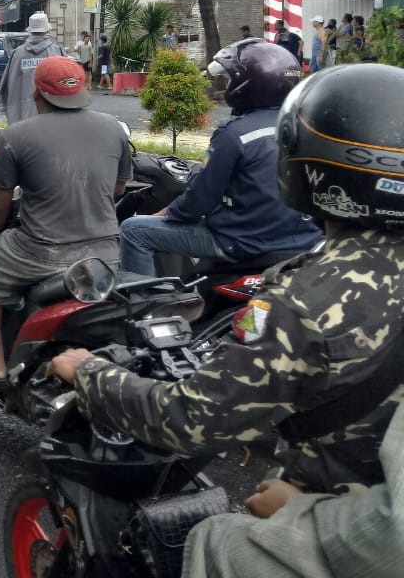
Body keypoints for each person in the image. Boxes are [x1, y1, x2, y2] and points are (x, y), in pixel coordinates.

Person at [50, 62, 404, 500]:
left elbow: (188, 419)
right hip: (297, 241)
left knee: (211, 538)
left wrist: (88, 371)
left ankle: (145, 304)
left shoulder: (303, 303)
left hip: (349, 509)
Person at [0, 56, 132, 380]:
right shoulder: (114, 127)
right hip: (107, 252)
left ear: (36, 93)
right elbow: (118, 188)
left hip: (42, 252)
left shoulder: (17, 135)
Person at [118, 39, 320, 277]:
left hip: (244, 242)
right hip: (306, 241)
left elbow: (199, 201)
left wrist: (164, 213)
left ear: (248, 84)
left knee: (134, 230)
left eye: (230, 79)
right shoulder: (310, 127)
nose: (227, 85)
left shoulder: (235, 133)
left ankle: (145, 305)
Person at [181, 396, 404, 578]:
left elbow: (395, 540)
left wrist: (297, 509)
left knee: (217, 535)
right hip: (350, 513)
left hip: (356, 545)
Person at [0, 11, 65, 124]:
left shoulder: (17, 54)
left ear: (30, 30)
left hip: (22, 122)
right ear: (47, 30)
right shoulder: (57, 52)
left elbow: (6, 90)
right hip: (52, 122)